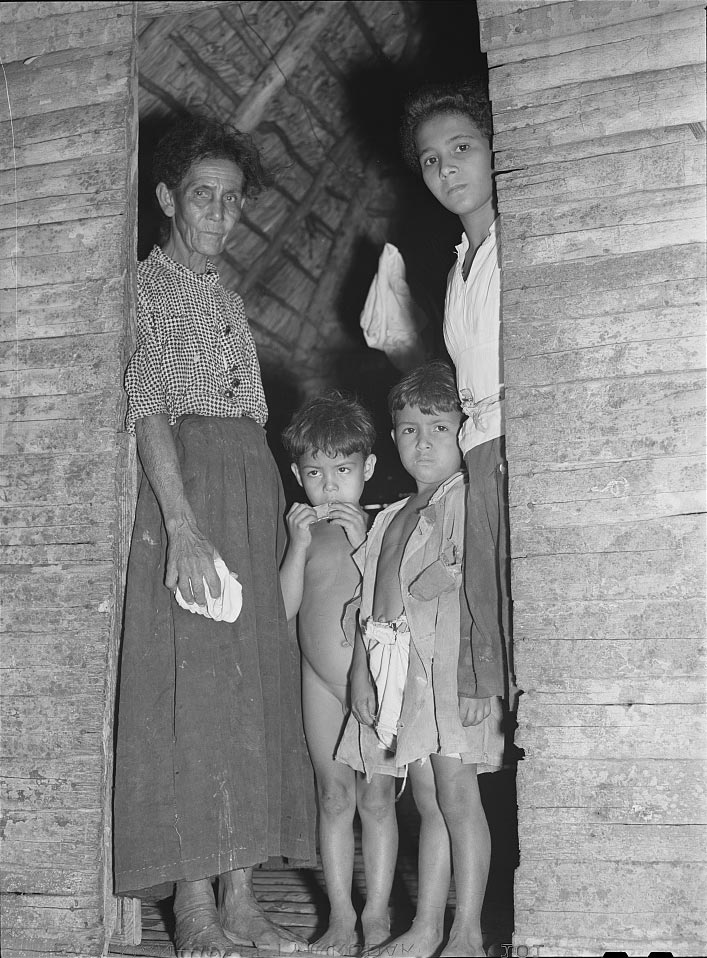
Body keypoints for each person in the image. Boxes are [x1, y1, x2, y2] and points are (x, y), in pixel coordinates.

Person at [113, 116, 315, 958]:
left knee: (251, 689)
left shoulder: (228, 302)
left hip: (249, 483)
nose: (220, 214)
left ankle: (242, 904)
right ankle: (193, 905)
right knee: (191, 696)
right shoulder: (141, 288)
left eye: (233, 201)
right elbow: (148, 406)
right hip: (186, 493)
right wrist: (184, 526)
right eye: (204, 195)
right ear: (166, 198)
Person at [337, 361, 504, 958]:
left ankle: (468, 934)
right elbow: (367, 604)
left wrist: (480, 674)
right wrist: (361, 669)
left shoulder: (469, 500)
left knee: (459, 798)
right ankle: (428, 926)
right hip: (402, 675)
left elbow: (476, 583)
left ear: (464, 430)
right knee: (430, 800)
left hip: (449, 670)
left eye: (438, 426)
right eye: (409, 429)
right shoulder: (390, 515)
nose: (424, 441)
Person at [400, 79, 515, 724]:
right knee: (491, 611)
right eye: (430, 160)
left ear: (497, 147)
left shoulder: (514, 243)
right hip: (478, 450)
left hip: (516, 444)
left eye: (462, 148)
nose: (447, 169)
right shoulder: (457, 266)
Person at [279, 394, 399, 956]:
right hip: (317, 683)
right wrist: (299, 547)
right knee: (332, 797)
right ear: (297, 474)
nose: (329, 487)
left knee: (375, 798)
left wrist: (361, 544)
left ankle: (377, 915)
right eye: (315, 473)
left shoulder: (383, 528)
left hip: (372, 681)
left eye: (343, 471)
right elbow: (281, 610)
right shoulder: (296, 532)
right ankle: (341, 918)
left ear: (368, 470)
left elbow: (390, 604)